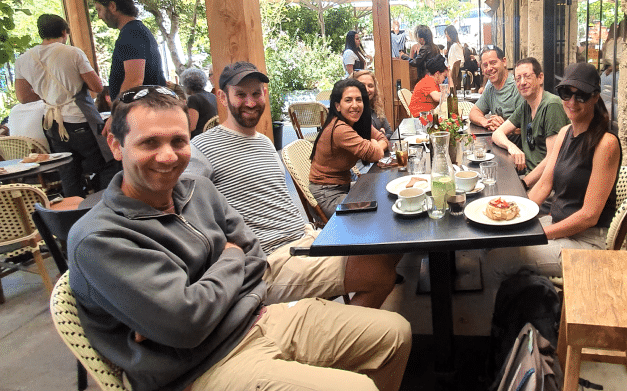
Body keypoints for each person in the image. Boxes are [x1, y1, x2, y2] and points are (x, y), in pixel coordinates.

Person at [67, 85, 411, 391]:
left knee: (395, 333)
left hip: (257, 318)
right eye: (149, 143)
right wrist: (230, 260)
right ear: (115, 144)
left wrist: (210, 290)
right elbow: (187, 325)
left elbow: (255, 256)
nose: (168, 156)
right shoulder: (99, 238)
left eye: (178, 141)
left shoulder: (196, 189)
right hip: (199, 367)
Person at [189, 61, 400, 308]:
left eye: (256, 93)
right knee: (381, 269)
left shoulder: (266, 144)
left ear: (264, 94)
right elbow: (179, 215)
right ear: (222, 97)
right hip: (267, 262)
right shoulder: (202, 148)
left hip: (305, 239)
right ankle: (328, 339)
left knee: (391, 243)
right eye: (240, 95)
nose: (250, 102)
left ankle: (329, 324)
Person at [485, 62, 621, 278]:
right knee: (493, 240)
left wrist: (539, 234)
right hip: (558, 224)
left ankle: (521, 308)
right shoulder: (566, 132)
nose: (572, 102)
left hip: (586, 241)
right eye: (566, 93)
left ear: (595, 97)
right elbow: (545, 185)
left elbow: (589, 216)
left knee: (498, 257)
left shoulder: (606, 143)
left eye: (581, 95)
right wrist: (512, 213)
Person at [14, 14, 117, 196]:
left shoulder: (23, 59)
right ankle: (104, 209)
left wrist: (51, 95)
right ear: (64, 32)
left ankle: (74, 215)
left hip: (52, 123)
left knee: (68, 172)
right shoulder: (72, 52)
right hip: (79, 119)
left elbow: (23, 96)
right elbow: (97, 86)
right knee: (108, 162)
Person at [309, 79, 389, 217]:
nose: (355, 105)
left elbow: (383, 139)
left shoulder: (356, 123)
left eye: (359, 100)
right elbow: (376, 154)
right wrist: (374, 146)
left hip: (344, 186)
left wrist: (375, 145)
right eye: (348, 100)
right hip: (328, 194)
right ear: (338, 106)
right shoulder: (340, 129)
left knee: (384, 194)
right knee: (373, 213)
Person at [492, 57, 569, 188]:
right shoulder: (525, 106)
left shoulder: (551, 106)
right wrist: (512, 147)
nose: (522, 82)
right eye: (518, 78)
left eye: (527, 76)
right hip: (528, 176)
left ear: (540, 78)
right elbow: (497, 134)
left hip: (547, 185)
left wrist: (524, 184)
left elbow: (553, 159)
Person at [91, 0, 166, 101]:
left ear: (112, 6)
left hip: (142, 110)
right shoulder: (135, 30)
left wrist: (118, 110)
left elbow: (134, 80)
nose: (99, 16)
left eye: (99, 9)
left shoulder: (131, 33)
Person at [469, 45, 521, 131]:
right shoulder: (490, 88)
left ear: (504, 62)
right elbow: (474, 112)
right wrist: (486, 122)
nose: (489, 68)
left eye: (493, 63)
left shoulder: (517, 88)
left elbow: (528, 127)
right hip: (497, 141)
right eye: (485, 65)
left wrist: (503, 127)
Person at [353, 69, 393, 138]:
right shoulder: (353, 112)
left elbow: (389, 132)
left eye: (370, 86)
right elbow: (366, 140)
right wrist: (382, 132)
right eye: (362, 85)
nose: (367, 90)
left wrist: (380, 136)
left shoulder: (376, 108)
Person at [180, 67, 217, 137]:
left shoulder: (193, 99)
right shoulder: (212, 96)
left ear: (187, 84)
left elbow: (191, 127)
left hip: (199, 139)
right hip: (212, 135)